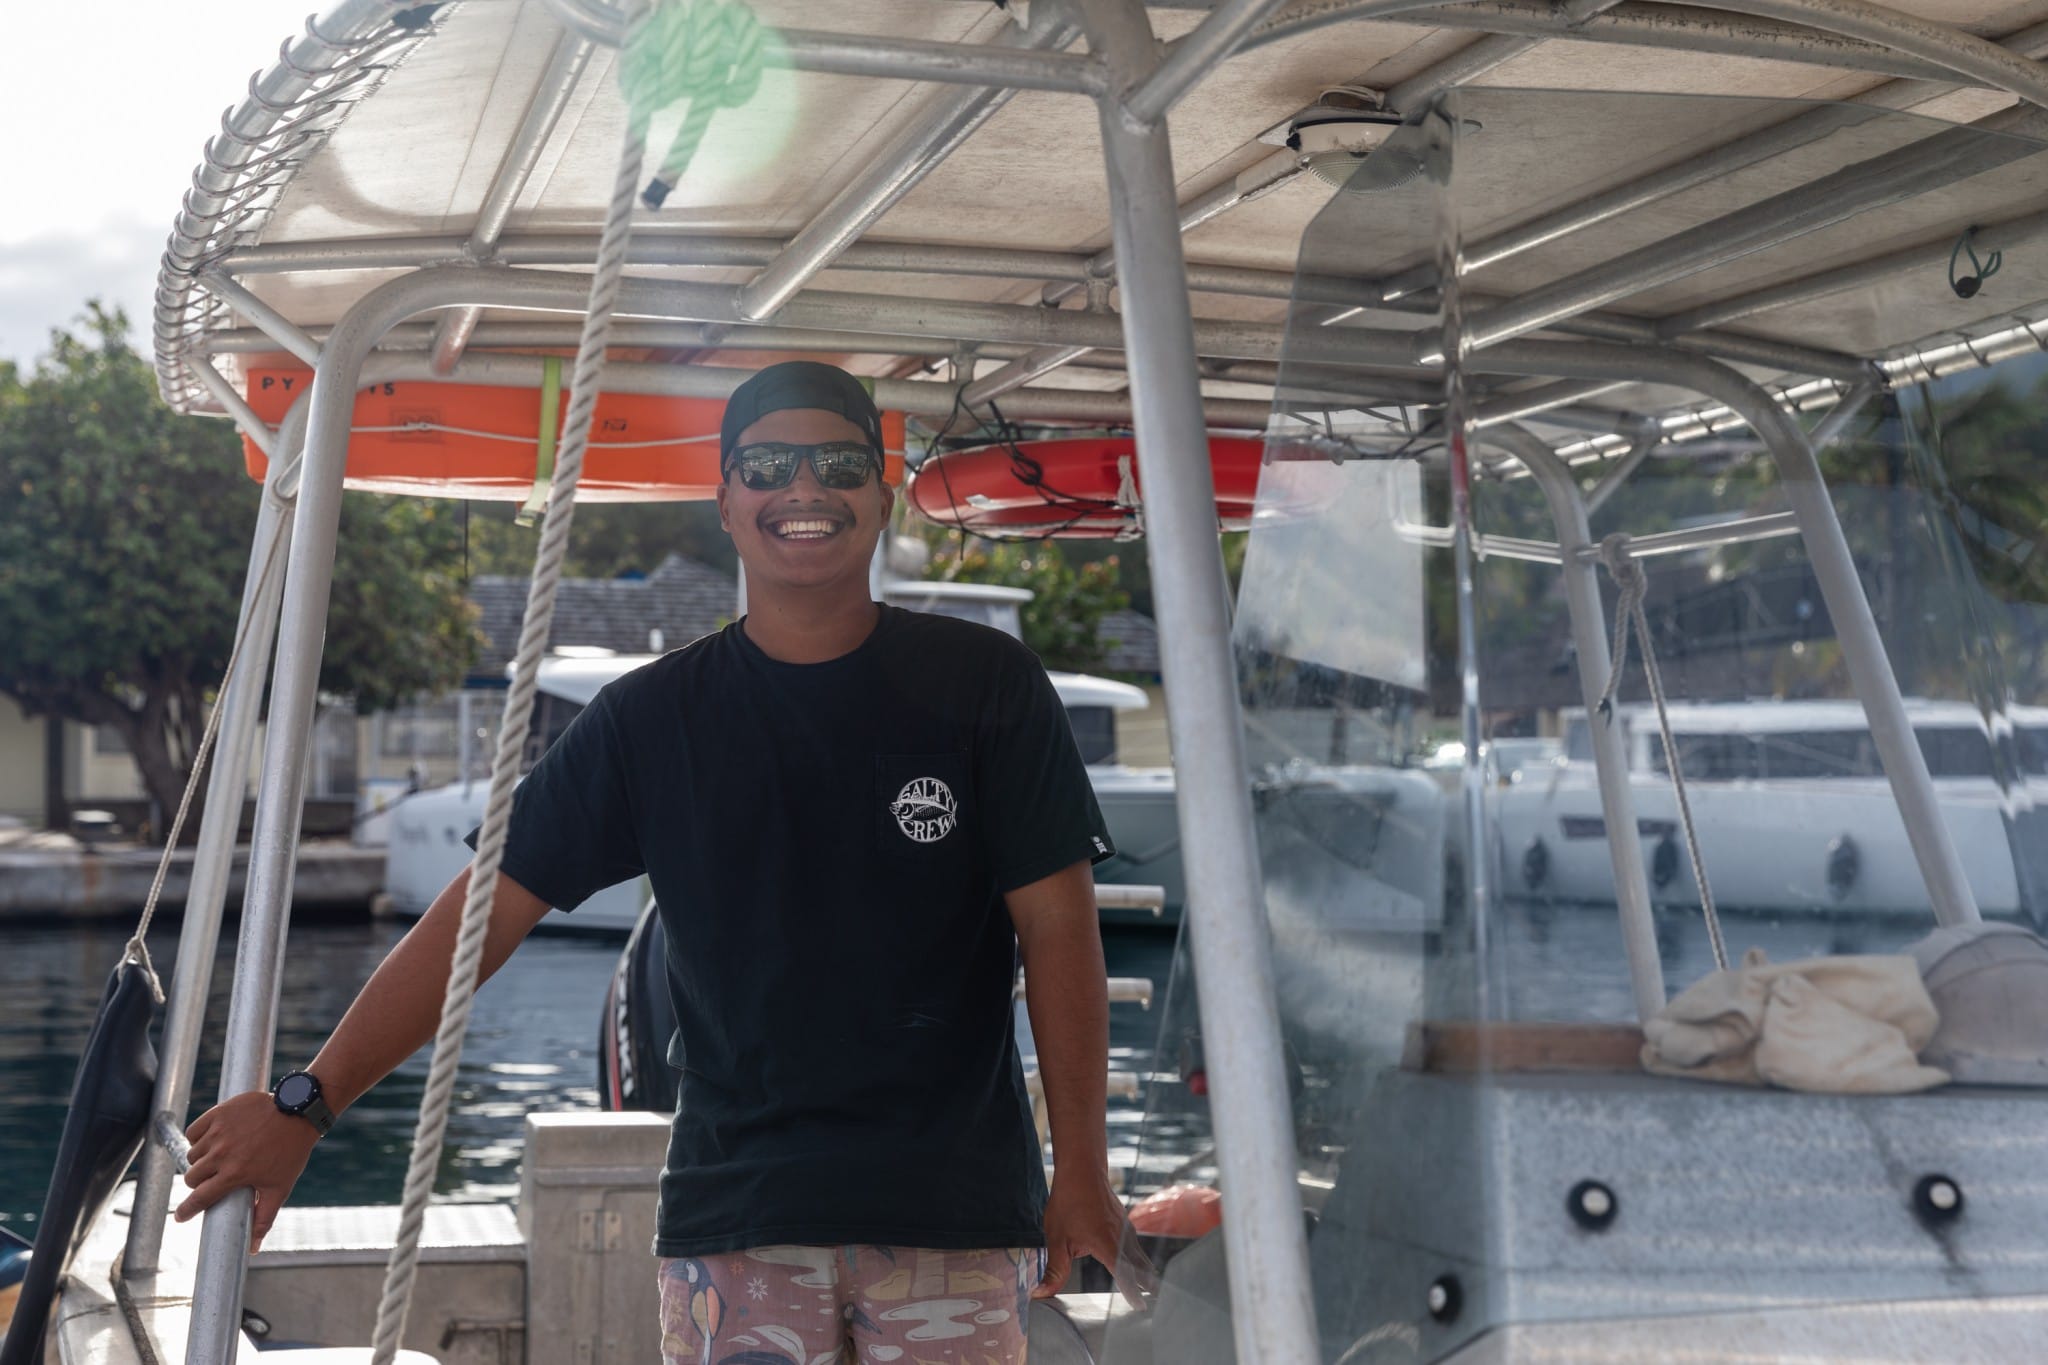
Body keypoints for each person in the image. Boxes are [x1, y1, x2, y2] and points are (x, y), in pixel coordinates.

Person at [175, 360, 1139, 1363]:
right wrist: (305, 1103)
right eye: (767, 466)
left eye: (837, 463)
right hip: (737, 1221)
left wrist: (1084, 1170)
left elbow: (1060, 937)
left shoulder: (986, 686)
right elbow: (472, 925)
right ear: (723, 501)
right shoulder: (648, 719)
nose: (804, 489)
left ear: (880, 491)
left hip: (956, 1216)